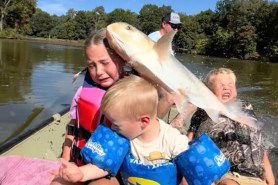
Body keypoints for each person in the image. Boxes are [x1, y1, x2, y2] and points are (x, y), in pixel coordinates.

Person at [58, 75, 190, 185]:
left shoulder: (174, 141)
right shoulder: (121, 137)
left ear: (143, 121)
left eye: (116, 124)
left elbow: (191, 174)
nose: (111, 128)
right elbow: (102, 166)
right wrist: (81, 174)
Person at [51, 28, 126, 185]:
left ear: (122, 59)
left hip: (108, 171)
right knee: (57, 183)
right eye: (91, 65)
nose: (99, 72)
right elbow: (73, 126)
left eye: (105, 62)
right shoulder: (82, 91)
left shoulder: (132, 93)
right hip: (78, 162)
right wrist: (66, 160)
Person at [186, 68, 275, 185]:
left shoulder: (246, 108)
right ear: (209, 91)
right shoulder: (203, 110)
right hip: (225, 174)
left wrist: (268, 171)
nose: (226, 87)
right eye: (221, 85)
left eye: (230, 84)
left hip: (254, 175)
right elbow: (189, 140)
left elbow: (256, 141)